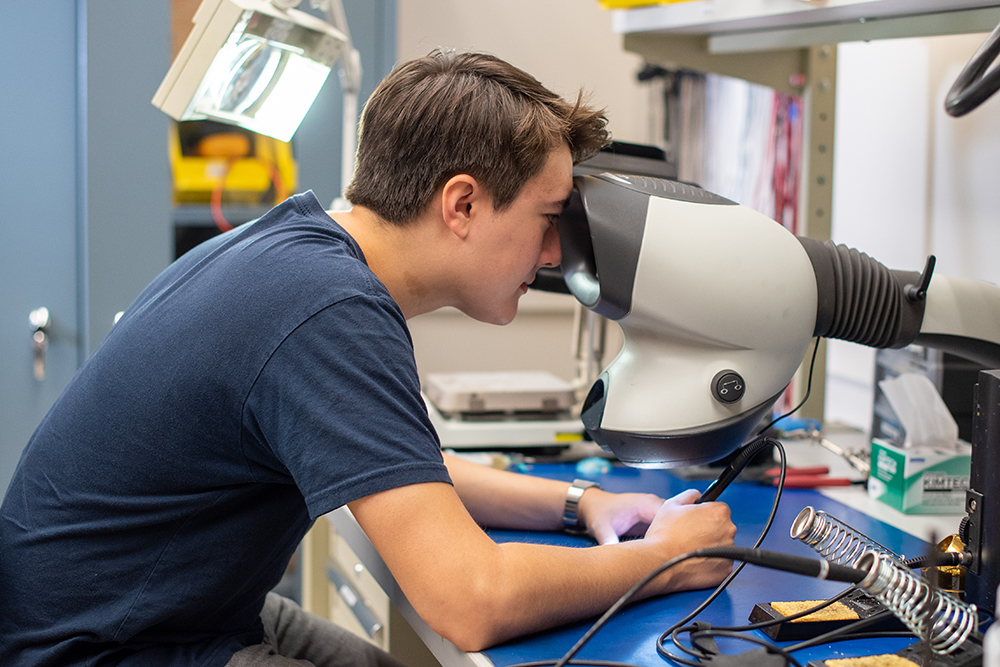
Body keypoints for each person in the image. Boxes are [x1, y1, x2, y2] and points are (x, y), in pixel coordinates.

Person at [0, 50, 736, 667]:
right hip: (104, 649)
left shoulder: (300, 250)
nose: (552, 255)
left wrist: (583, 503)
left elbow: (399, 467)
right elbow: (470, 599)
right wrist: (660, 559)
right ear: (462, 205)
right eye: (547, 220)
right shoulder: (328, 308)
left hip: (170, 614)